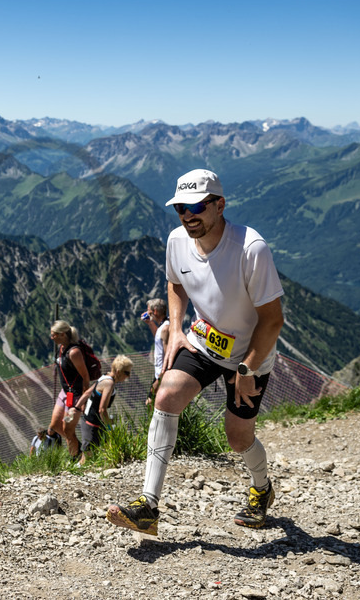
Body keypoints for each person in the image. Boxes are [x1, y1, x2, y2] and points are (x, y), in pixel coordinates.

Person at [107, 168, 285, 536]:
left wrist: (247, 370)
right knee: (167, 396)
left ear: (220, 205)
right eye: (180, 208)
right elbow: (175, 284)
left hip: (249, 354)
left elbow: (272, 320)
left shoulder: (251, 249)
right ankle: (148, 507)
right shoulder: (177, 241)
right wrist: (175, 329)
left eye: (197, 207)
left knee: (237, 437)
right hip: (204, 340)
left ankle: (262, 488)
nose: (188, 216)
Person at [77, 355, 132, 465]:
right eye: (127, 373)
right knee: (86, 459)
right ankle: (72, 473)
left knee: (93, 455)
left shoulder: (104, 377)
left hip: (90, 421)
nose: (128, 376)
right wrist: (109, 428)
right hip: (92, 425)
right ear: (118, 371)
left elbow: (87, 393)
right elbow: (102, 410)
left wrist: (76, 408)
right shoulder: (109, 383)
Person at [48, 320, 92, 458]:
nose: (51, 337)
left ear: (62, 334)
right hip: (65, 393)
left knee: (67, 429)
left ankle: (75, 457)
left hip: (76, 395)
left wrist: (84, 400)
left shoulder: (74, 352)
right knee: (55, 425)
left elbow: (85, 376)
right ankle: (77, 447)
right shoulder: (61, 348)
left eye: (54, 334)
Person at [144, 298, 170, 405]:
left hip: (162, 375)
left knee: (151, 403)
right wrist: (149, 322)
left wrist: (159, 380)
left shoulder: (165, 328)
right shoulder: (163, 327)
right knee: (151, 403)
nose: (147, 313)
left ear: (154, 311)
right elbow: (158, 337)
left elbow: (168, 356)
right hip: (159, 374)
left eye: (149, 311)